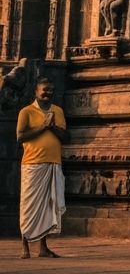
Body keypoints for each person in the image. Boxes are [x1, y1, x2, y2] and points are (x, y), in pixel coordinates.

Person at [17, 77, 68, 259]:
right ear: (36, 92)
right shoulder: (27, 112)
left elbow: (65, 136)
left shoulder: (58, 111)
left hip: (53, 163)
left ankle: (43, 248)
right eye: (45, 90)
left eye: (51, 90)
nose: (48, 93)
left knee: (48, 207)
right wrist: (43, 126)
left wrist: (52, 126)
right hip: (32, 163)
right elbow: (20, 136)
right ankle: (25, 247)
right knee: (28, 206)